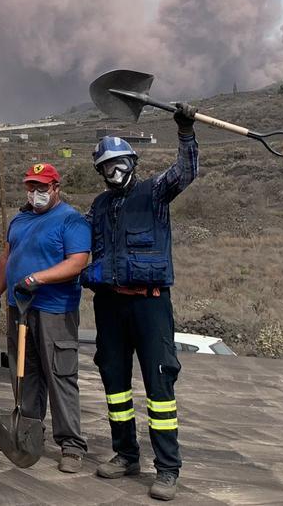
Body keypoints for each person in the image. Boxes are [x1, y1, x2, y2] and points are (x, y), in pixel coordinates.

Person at [85, 103, 198, 501]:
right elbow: (80, 248)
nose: (113, 170)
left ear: (132, 162)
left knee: (159, 384)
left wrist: (185, 132)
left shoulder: (154, 192)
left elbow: (185, 172)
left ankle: (167, 468)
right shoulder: (98, 207)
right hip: (110, 307)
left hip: (150, 306)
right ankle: (125, 454)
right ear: (100, 171)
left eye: (119, 162)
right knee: (115, 384)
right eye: (106, 166)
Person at [0, 162, 91, 472]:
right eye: (31, 188)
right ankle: (29, 435)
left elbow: (76, 263)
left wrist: (39, 279)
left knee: (60, 375)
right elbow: (7, 258)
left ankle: (71, 445)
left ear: (56, 188)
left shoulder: (71, 221)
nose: (36, 194)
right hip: (18, 308)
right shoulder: (19, 219)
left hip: (54, 310)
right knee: (24, 375)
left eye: (42, 188)